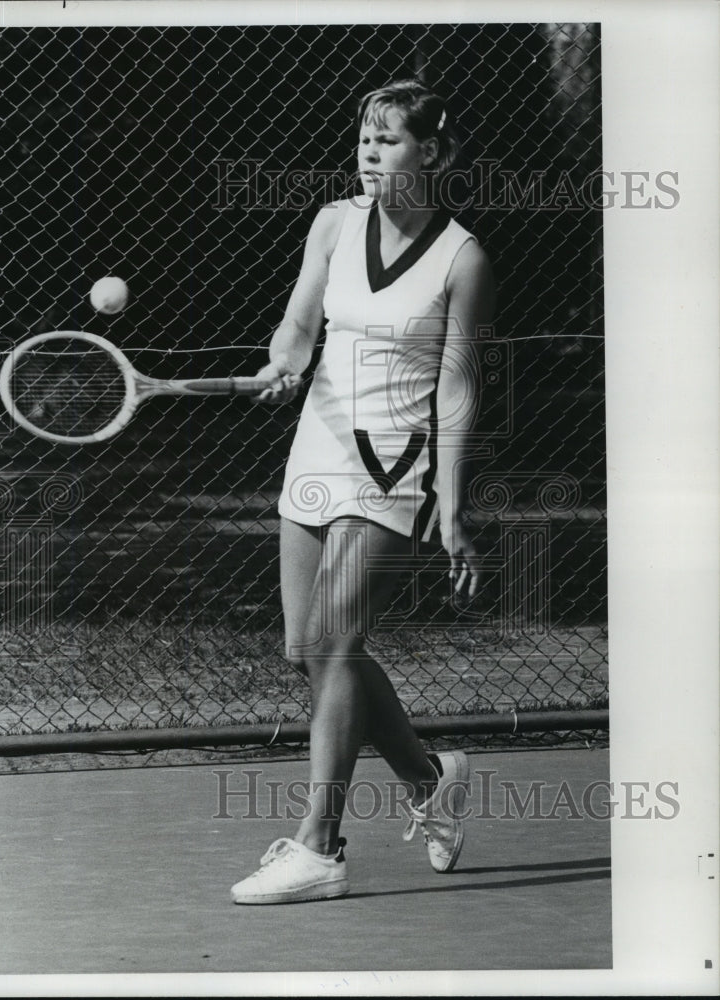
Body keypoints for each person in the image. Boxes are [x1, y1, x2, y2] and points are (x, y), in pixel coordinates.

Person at [230, 79, 495, 905]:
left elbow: (458, 390)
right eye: (364, 137)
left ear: (433, 153)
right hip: (319, 447)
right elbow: (300, 324)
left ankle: (320, 847)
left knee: (336, 642)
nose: (370, 150)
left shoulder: (464, 257)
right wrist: (283, 359)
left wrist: (452, 508)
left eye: (389, 138)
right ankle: (430, 778)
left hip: (395, 465)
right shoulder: (334, 224)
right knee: (308, 652)